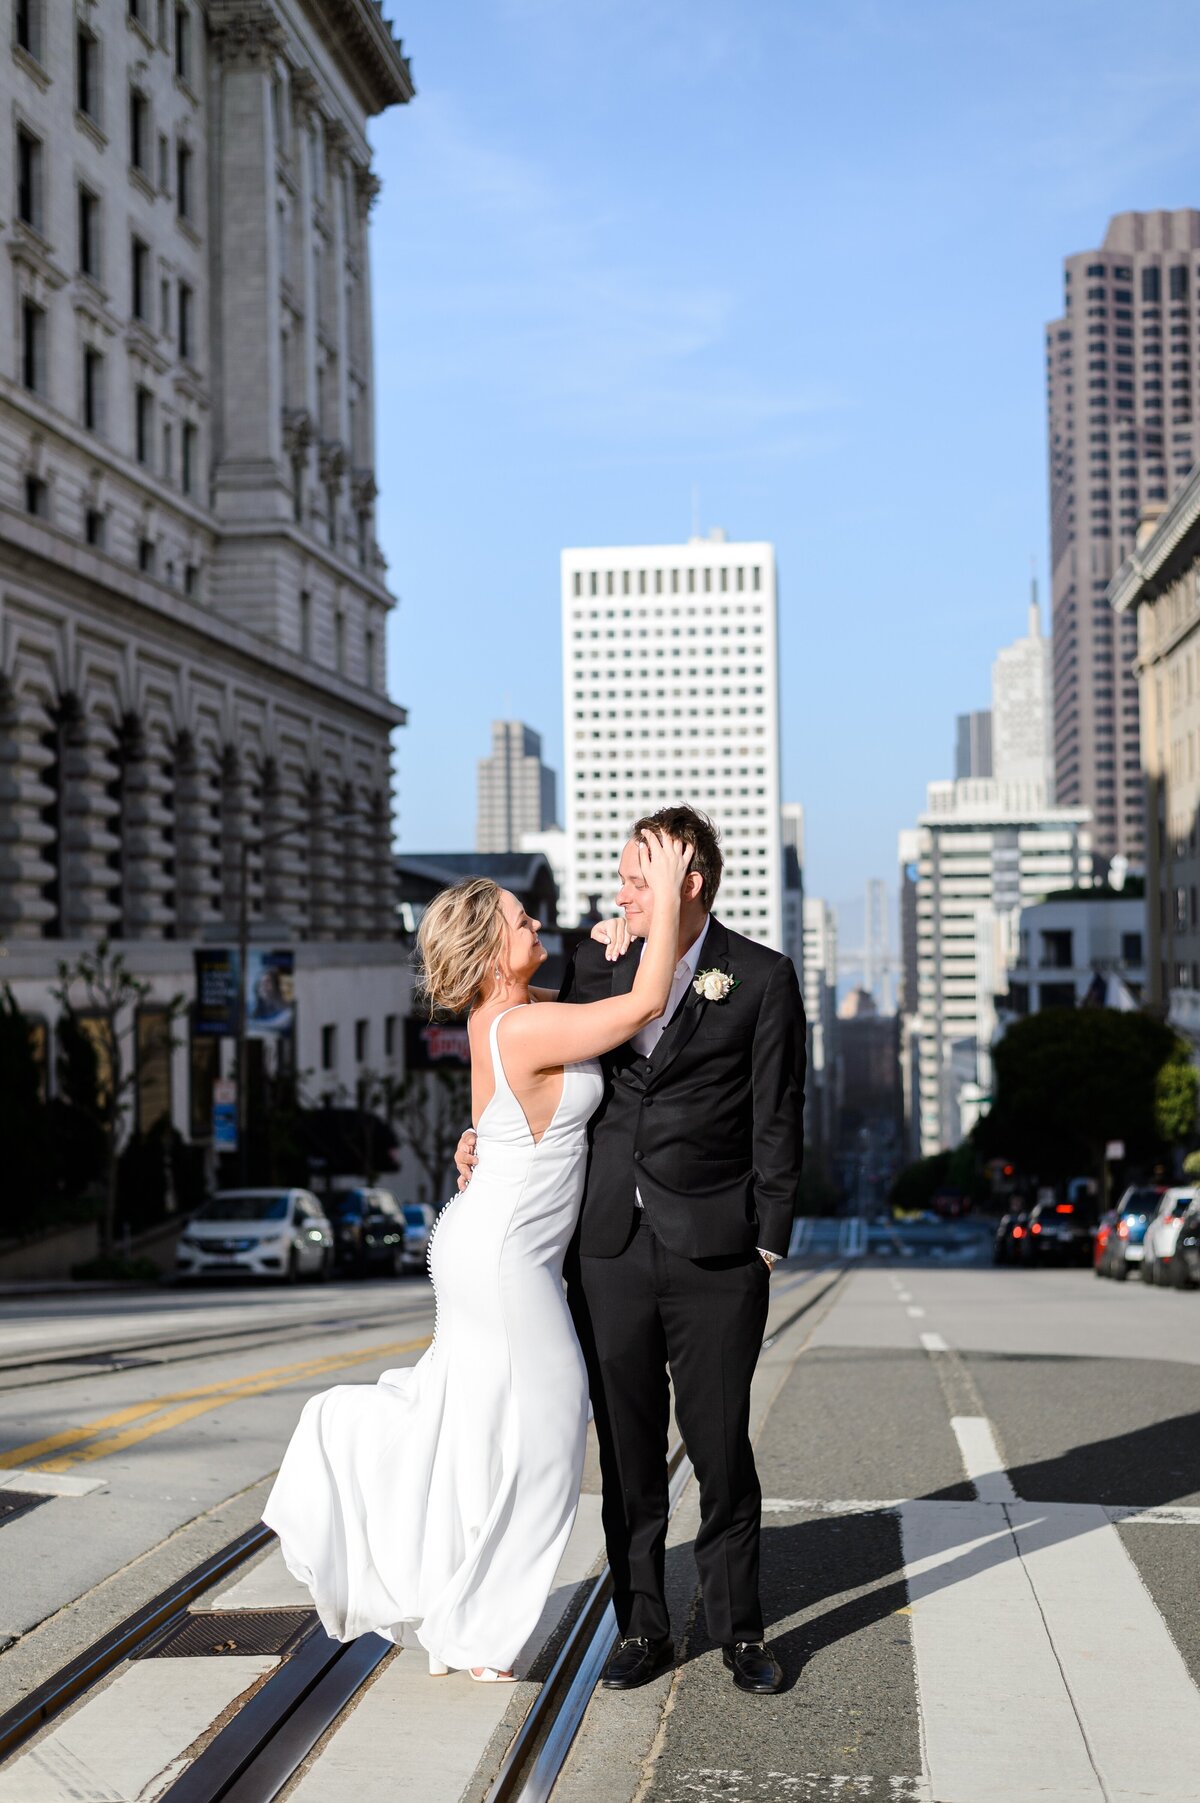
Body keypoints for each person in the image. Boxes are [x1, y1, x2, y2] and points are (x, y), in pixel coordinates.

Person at [262, 830, 692, 1681]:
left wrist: (470, 1143)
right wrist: (669, 893)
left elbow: (495, 1124)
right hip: (502, 1260)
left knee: (478, 1431)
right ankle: (476, 1629)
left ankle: (464, 1610)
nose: (537, 924)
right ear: (493, 949)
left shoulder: (498, 1021)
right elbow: (643, 1006)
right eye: (522, 918)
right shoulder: (522, 1023)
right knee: (544, 1437)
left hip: (487, 1239)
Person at [457, 805, 806, 1694]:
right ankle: (642, 1626)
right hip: (606, 1244)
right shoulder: (589, 960)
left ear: (689, 884)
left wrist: (768, 1244)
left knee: (722, 1446)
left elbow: (778, 1120)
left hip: (717, 1253)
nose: (616, 893)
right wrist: (478, 1136)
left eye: (634, 878)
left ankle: (741, 1632)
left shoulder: (761, 977)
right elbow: (510, 1047)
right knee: (626, 1448)